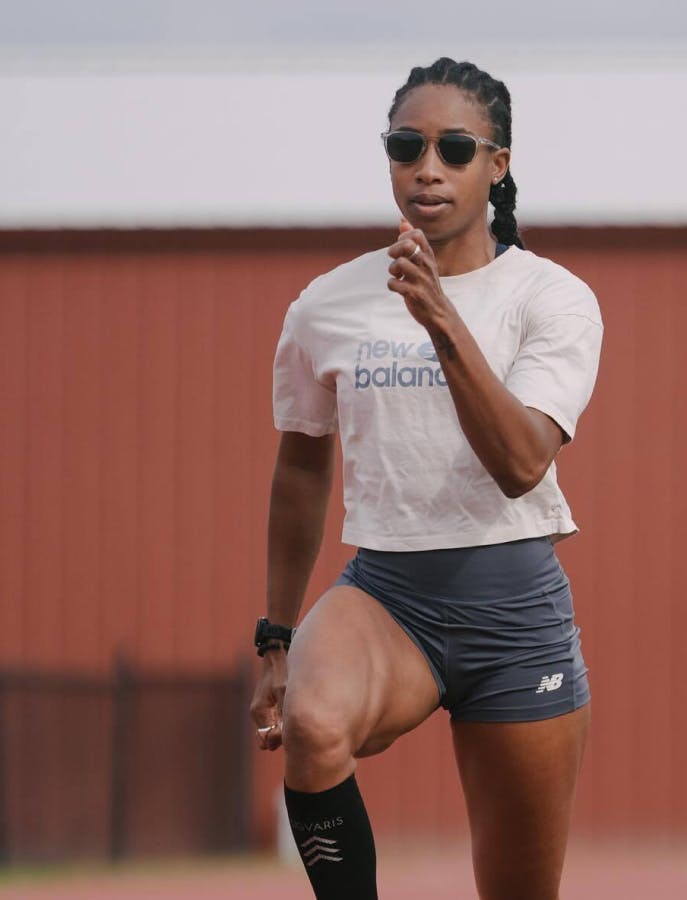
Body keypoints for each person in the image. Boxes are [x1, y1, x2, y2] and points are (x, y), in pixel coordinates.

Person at [249, 58, 603, 900]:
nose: (427, 167)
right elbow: (301, 468)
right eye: (406, 145)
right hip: (388, 596)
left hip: (514, 610)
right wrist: (276, 635)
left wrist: (444, 324)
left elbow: (523, 464)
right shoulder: (325, 307)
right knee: (312, 721)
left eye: (454, 148)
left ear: (498, 165)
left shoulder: (550, 299)